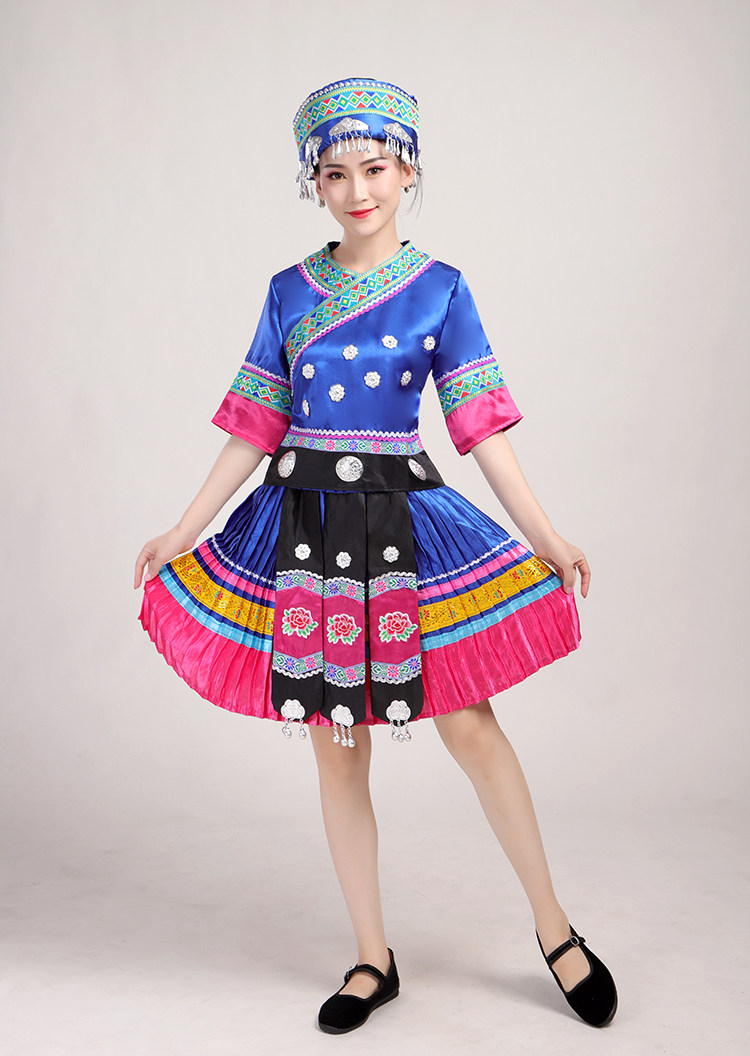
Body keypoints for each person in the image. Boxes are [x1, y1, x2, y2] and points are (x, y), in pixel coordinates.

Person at [134, 77, 617, 1035]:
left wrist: (546, 536)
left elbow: (480, 426)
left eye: (377, 169)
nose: (358, 190)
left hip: (402, 526)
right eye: (336, 174)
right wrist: (184, 527)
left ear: (409, 173)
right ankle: (371, 956)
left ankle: (556, 931)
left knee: (470, 727)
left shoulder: (441, 288)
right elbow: (256, 423)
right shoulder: (287, 291)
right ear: (313, 183)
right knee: (337, 745)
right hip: (305, 533)